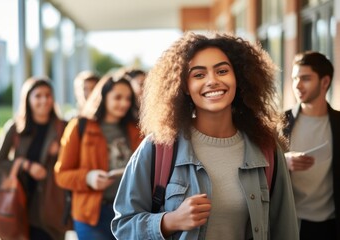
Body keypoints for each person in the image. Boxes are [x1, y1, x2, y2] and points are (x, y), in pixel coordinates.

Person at [111, 32, 299, 239]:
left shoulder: (266, 148)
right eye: (199, 75)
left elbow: (286, 230)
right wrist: (169, 221)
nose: (212, 81)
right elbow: (123, 226)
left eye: (222, 71)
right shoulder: (158, 147)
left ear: (239, 78)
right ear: (184, 86)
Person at [55, 75, 143, 240]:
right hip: (91, 215)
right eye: (117, 97)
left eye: (128, 98)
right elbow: (61, 174)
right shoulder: (79, 126)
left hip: (130, 213)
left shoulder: (137, 129)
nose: (124, 103)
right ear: (103, 97)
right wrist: (88, 178)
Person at [0, 77, 70, 239]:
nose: (44, 100)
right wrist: (25, 165)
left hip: (51, 205)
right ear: (28, 99)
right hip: (19, 203)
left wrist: (61, 150)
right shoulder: (15, 127)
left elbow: (74, 161)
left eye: (48, 95)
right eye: (38, 96)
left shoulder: (64, 127)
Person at [282, 51, 340, 240]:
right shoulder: (280, 122)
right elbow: (261, 165)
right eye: (294, 78)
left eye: (305, 78)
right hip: (291, 222)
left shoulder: (338, 123)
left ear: (324, 82)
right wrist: (284, 162)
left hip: (330, 225)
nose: (297, 85)